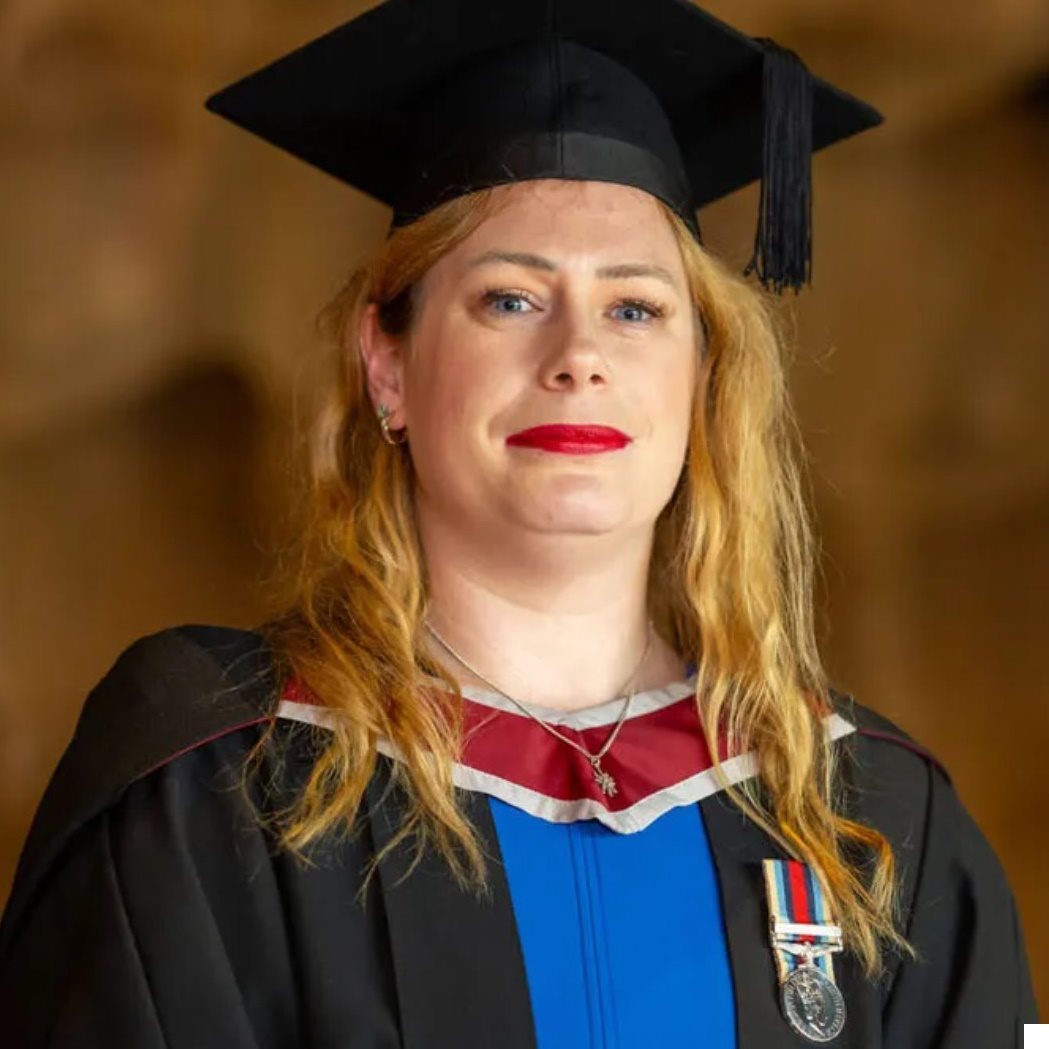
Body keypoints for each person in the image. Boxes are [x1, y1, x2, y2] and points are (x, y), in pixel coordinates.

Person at [0, 0, 1038, 1045]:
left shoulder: (873, 817)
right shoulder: (218, 783)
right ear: (387, 363)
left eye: (634, 307)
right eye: (508, 298)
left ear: (702, 375)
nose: (577, 353)